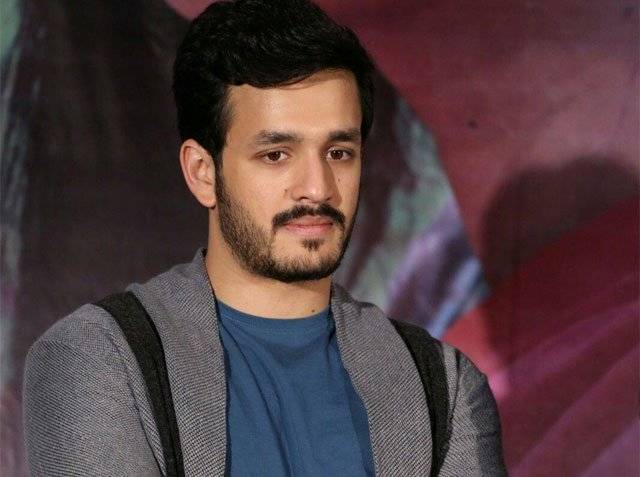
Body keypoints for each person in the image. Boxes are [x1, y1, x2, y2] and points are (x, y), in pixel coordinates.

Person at [22, 0, 506, 475]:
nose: (318, 188)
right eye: (276, 155)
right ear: (202, 172)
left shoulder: (442, 384)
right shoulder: (97, 360)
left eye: (338, 152)